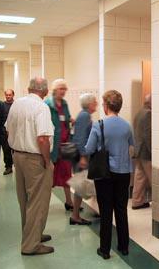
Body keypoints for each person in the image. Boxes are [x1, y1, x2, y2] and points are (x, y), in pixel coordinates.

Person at [5, 77, 55, 255]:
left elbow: (8, 130)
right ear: (45, 91)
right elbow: (42, 138)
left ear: (28, 88)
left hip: (18, 155)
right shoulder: (41, 107)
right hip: (35, 158)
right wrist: (46, 160)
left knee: (24, 200)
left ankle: (33, 235)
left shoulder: (17, 104)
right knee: (37, 201)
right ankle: (31, 245)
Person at [85, 90, 134, 259]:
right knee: (121, 210)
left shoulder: (99, 125)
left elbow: (89, 149)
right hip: (123, 172)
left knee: (106, 211)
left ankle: (104, 250)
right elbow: (131, 147)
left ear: (106, 106)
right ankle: (124, 246)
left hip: (104, 174)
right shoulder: (127, 126)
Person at [45, 79, 74, 211]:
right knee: (49, 176)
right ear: (54, 89)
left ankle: (69, 202)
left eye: (64, 89)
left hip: (65, 145)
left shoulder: (65, 104)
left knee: (67, 174)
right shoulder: (47, 104)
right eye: (61, 88)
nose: (63, 91)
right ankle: (43, 204)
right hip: (52, 147)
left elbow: (66, 119)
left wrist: (71, 120)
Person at [70, 93, 98, 225]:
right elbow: (80, 138)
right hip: (82, 156)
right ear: (90, 104)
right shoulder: (85, 116)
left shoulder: (84, 115)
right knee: (80, 186)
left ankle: (91, 210)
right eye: (95, 102)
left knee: (82, 185)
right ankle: (75, 216)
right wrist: (82, 157)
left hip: (83, 155)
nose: (96, 104)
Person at [132, 95, 152, 210]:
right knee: (154, 179)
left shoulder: (139, 113)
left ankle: (137, 201)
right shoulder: (148, 114)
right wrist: (154, 152)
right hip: (146, 152)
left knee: (140, 177)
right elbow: (148, 136)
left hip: (139, 151)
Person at [1, 89, 15, 175]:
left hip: (15, 132)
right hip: (4, 132)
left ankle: (17, 166)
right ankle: (8, 167)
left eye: (10, 95)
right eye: (7, 95)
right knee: (6, 150)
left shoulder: (17, 105)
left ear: (13, 95)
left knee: (16, 150)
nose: (8, 96)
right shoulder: (2, 105)